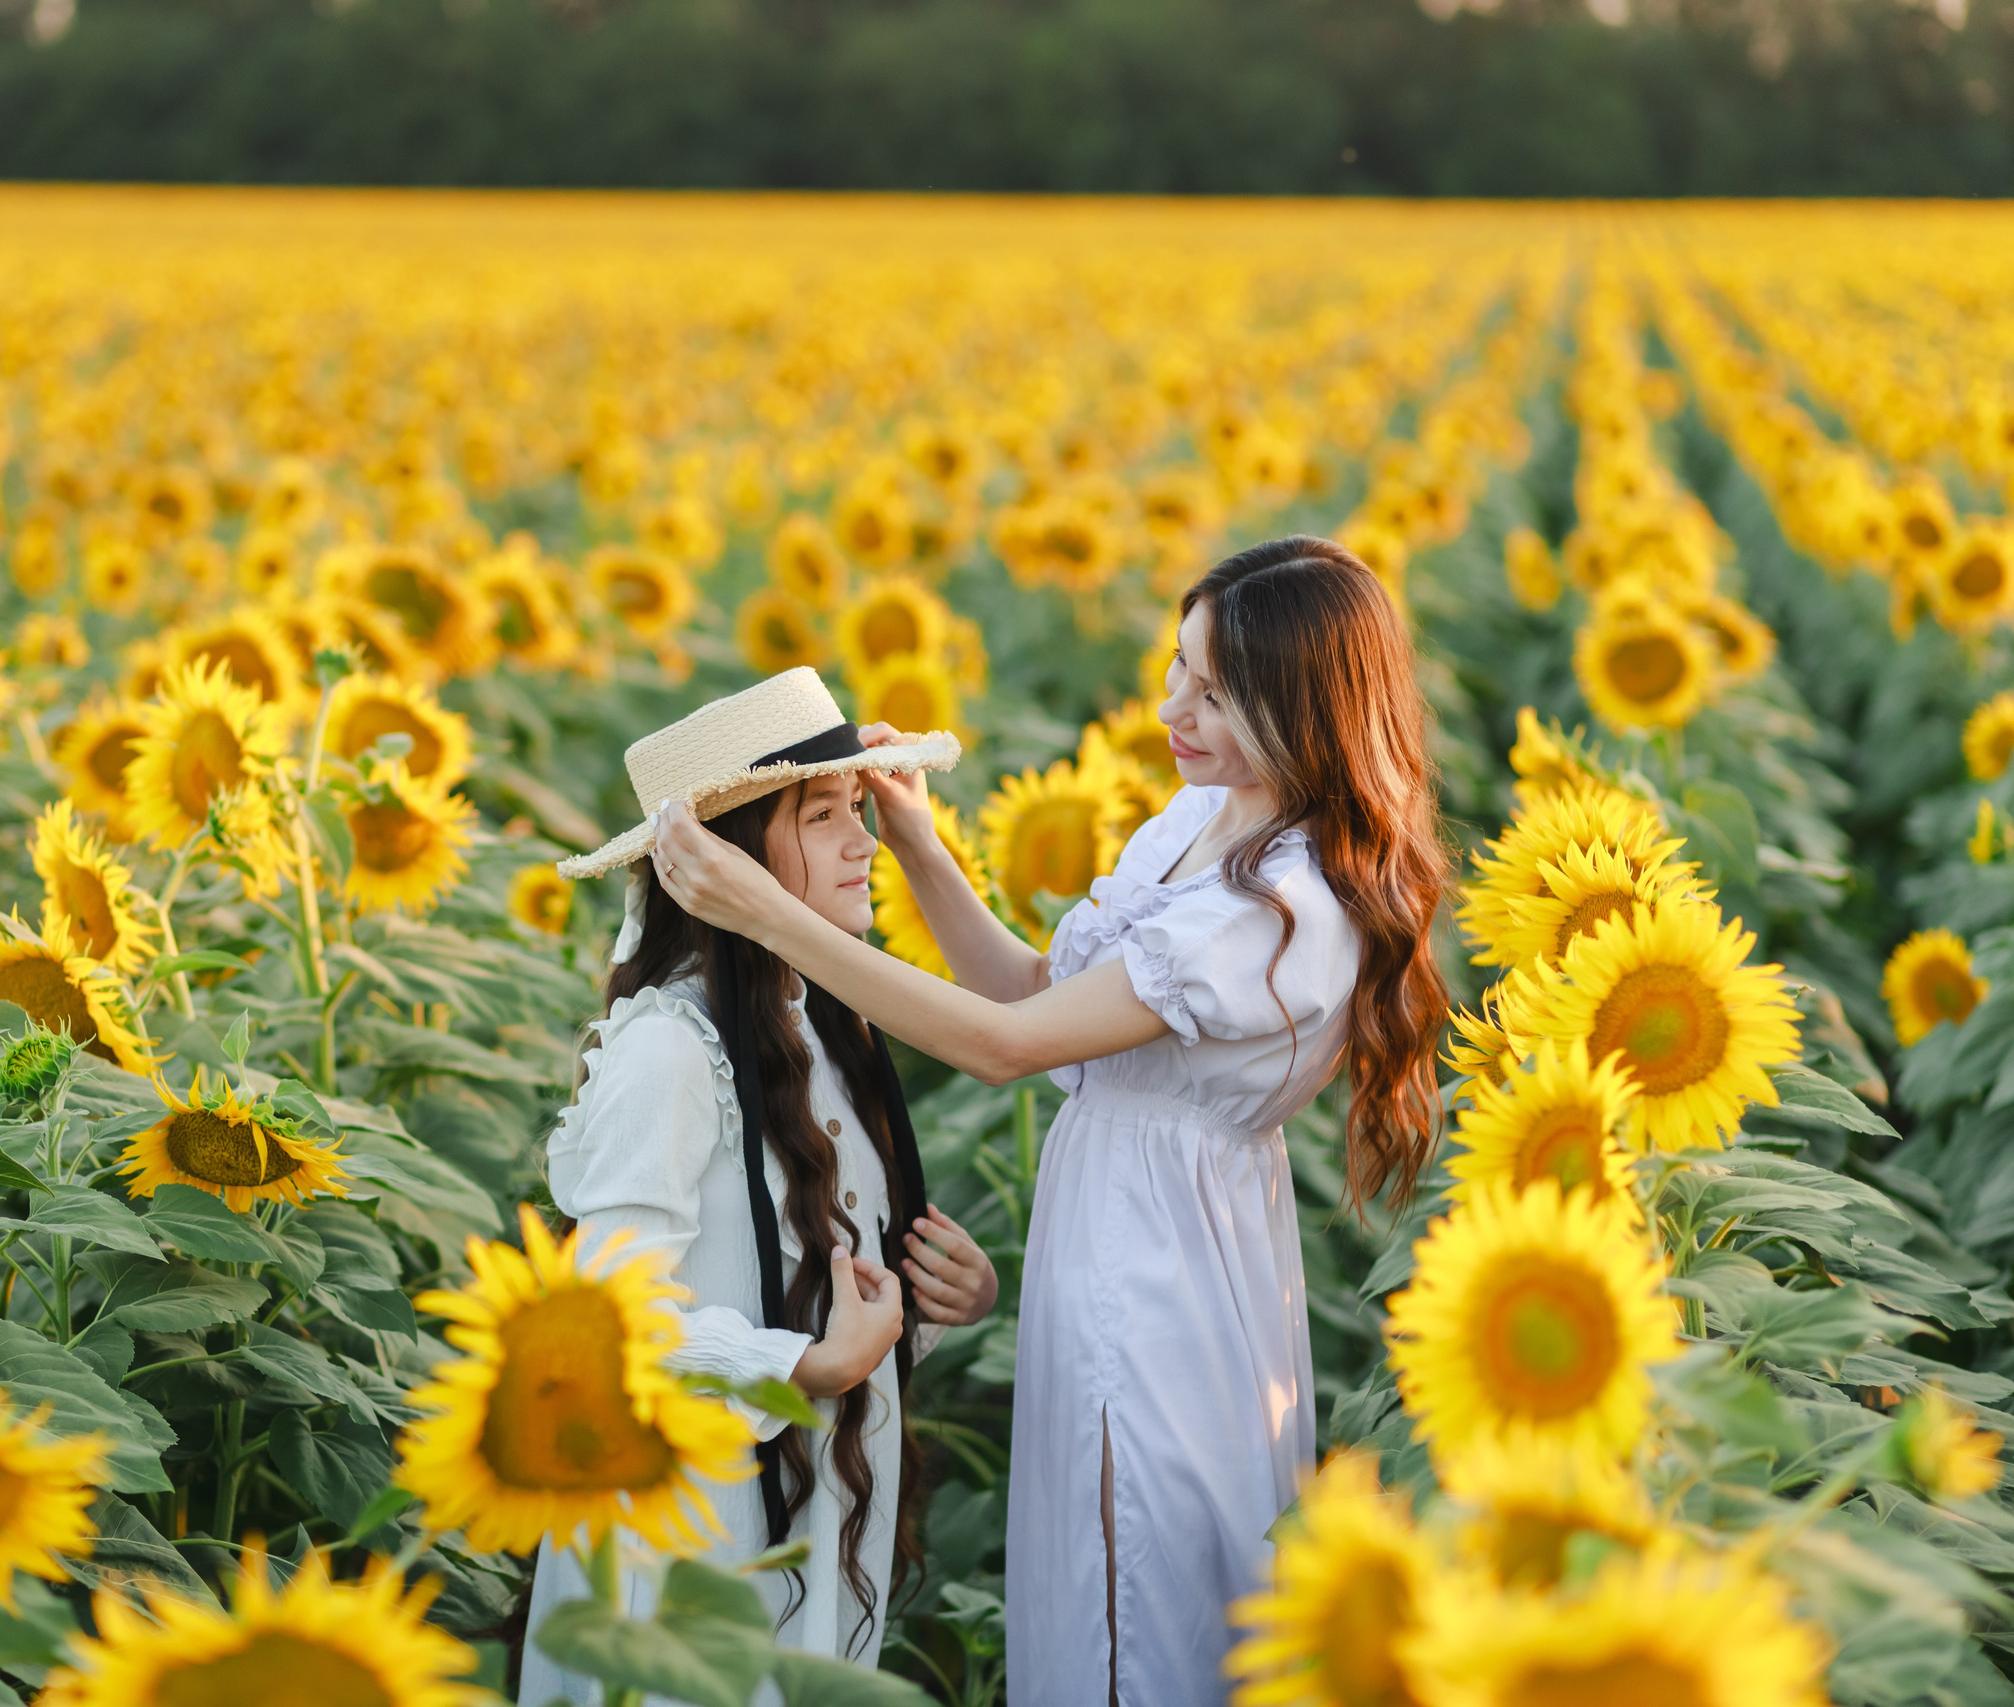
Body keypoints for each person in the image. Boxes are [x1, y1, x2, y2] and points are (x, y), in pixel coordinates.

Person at [653, 537, 1450, 1706]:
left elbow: (1001, 1051)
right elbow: (1030, 997)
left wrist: (770, 915)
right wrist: (922, 846)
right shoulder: (1200, 819)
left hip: (1166, 1273)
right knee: (1099, 1567)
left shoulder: (1283, 908)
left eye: (1216, 693)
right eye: (1176, 667)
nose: (1172, 706)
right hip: (1123, 1238)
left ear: (1306, 708)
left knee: (1143, 1578)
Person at [520, 667, 1003, 1707]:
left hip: (811, 1510)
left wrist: (927, 1308)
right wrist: (808, 1366)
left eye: (858, 811)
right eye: (822, 815)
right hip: (697, 1538)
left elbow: (803, 1280)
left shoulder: (828, 1027)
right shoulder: (671, 1048)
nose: (861, 844)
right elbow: (608, 1323)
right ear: (730, 860)